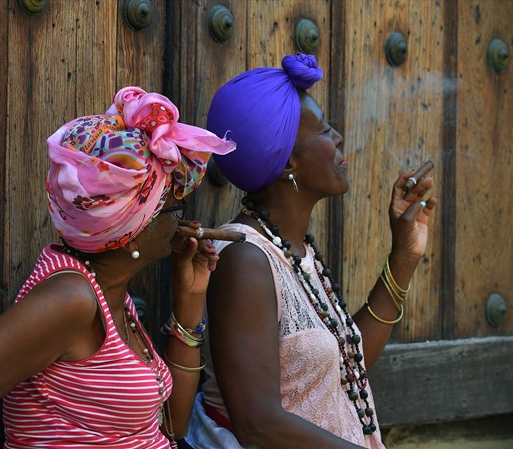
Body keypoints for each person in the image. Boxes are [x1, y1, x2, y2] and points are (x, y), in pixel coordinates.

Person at [0, 86, 236, 448]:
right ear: (134, 231)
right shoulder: (71, 299)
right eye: (175, 212)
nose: (182, 224)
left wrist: (190, 298)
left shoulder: (110, 291)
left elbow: (173, 426)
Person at [184, 54, 438, 449]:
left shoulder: (295, 250)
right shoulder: (245, 259)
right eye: (324, 130)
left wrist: (403, 258)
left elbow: (341, 371)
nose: (338, 137)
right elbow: (258, 424)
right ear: (288, 160)